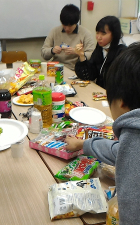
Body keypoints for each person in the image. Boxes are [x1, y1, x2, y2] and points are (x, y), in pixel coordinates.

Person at [65, 42, 140, 225]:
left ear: (120, 101)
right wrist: (83, 144)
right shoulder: (132, 140)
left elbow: (131, 211)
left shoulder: (135, 137)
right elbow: (119, 151)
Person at [75, 16, 127, 88]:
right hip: (99, 92)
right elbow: (89, 76)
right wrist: (81, 56)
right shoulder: (100, 48)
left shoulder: (122, 53)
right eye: (97, 33)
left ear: (114, 34)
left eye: (103, 34)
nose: (98, 37)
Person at [41, 4, 95, 70]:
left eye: (70, 26)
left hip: (75, 70)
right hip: (56, 68)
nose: (67, 29)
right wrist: (52, 50)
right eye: (64, 25)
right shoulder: (55, 31)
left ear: (76, 22)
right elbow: (44, 53)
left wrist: (77, 52)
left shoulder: (85, 33)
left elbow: (92, 55)